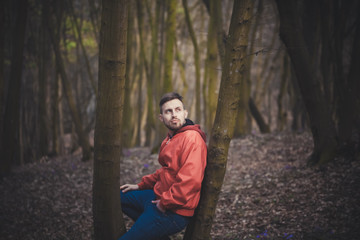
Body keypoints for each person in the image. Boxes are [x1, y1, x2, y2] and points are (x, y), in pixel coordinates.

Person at [119, 92, 207, 240]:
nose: (174, 115)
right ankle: (151, 230)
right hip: (157, 197)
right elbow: (166, 171)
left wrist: (165, 203)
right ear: (161, 118)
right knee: (119, 196)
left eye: (178, 110)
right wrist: (140, 185)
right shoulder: (171, 138)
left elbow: (190, 182)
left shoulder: (192, 139)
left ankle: (150, 227)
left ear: (185, 113)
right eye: (168, 111)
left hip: (173, 211)